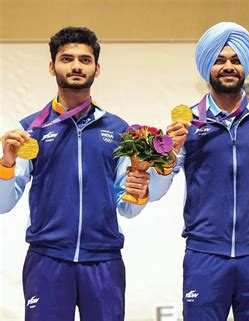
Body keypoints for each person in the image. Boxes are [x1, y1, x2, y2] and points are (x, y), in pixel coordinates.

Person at [150, 22, 249, 321]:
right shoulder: (186, 124)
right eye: (220, 60)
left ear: (245, 67)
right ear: (207, 66)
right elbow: (155, 192)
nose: (228, 66)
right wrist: (170, 151)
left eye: (236, 60)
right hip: (204, 255)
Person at [0, 26, 150, 321]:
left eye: (85, 59)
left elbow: (129, 209)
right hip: (47, 260)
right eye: (67, 59)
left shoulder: (120, 131)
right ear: (51, 66)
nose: (77, 66)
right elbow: (3, 203)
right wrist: (5, 163)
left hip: (104, 261)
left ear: (97, 68)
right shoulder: (31, 130)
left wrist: (140, 190)